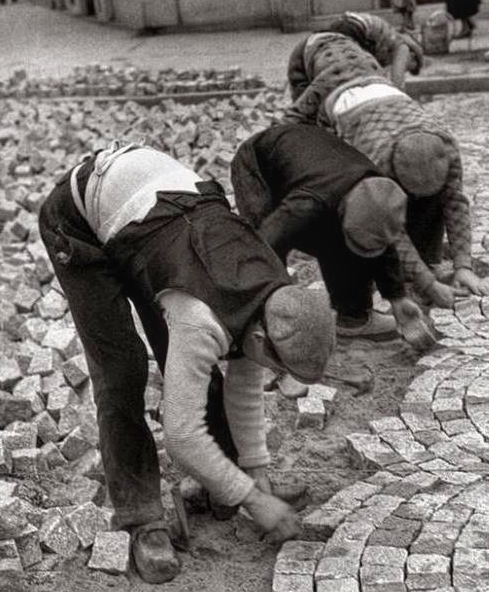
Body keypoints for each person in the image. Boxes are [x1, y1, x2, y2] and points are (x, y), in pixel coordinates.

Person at [38, 141, 336, 584]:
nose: (275, 375)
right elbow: (180, 435)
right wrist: (257, 502)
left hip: (157, 227)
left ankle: (224, 483)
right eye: (279, 366)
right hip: (79, 220)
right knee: (122, 373)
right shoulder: (200, 318)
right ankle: (141, 518)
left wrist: (255, 477)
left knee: (195, 366)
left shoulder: (273, 296)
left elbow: (245, 387)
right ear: (262, 337)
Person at [283, 38, 488, 308]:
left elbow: (454, 200)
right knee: (350, 200)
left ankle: (427, 259)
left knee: (425, 205)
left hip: (375, 82)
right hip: (328, 86)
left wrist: (463, 266)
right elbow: (389, 226)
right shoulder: (372, 156)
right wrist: (427, 283)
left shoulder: (446, 145)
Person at [231, 122, 435, 350]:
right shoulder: (306, 206)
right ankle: (264, 331)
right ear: (342, 210)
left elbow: (382, 244)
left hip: (314, 164)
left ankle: (352, 317)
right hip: (258, 164)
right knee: (274, 250)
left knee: (343, 242)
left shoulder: (378, 192)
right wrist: (280, 302)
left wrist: (398, 298)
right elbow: (263, 246)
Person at [287, 11, 423, 98]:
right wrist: (403, 102)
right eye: (410, 67)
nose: (405, 69)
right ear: (413, 56)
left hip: (346, 25)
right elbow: (398, 81)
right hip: (356, 29)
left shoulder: (389, 42)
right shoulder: (403, 47)